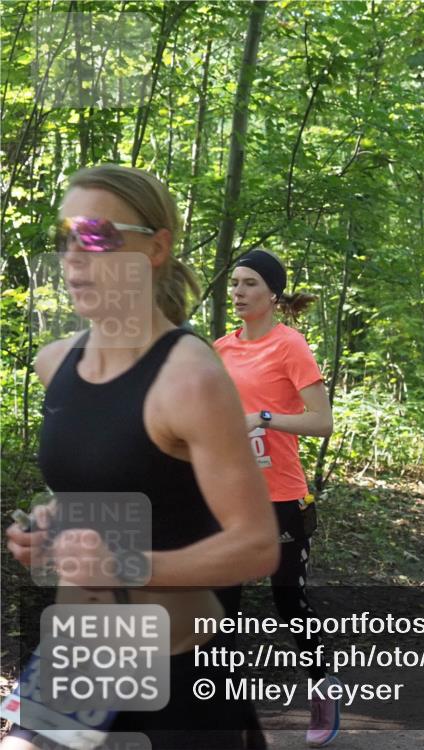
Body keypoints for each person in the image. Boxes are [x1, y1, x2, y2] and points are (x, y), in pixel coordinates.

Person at [3, 165, 279, 749]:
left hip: (180, 671)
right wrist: (50, 525)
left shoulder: (190, 378)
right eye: (64, 237)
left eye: (96, 235)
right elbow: (112, 482)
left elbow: (256, 545)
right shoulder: (56, 364)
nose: (74, 256)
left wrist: (125, 564)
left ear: (156, 248)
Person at [213, 249, 339, 747]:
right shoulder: (220, 347)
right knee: (221, 606)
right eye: (236, 284)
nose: (239, 293)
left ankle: (323, 688)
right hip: (228, 495)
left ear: (271, 294)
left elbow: (321, 422)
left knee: (288, 600)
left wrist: (263, 418)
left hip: (282, 494)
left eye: (248, 285)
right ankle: (230, 711)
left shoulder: (291, 346)